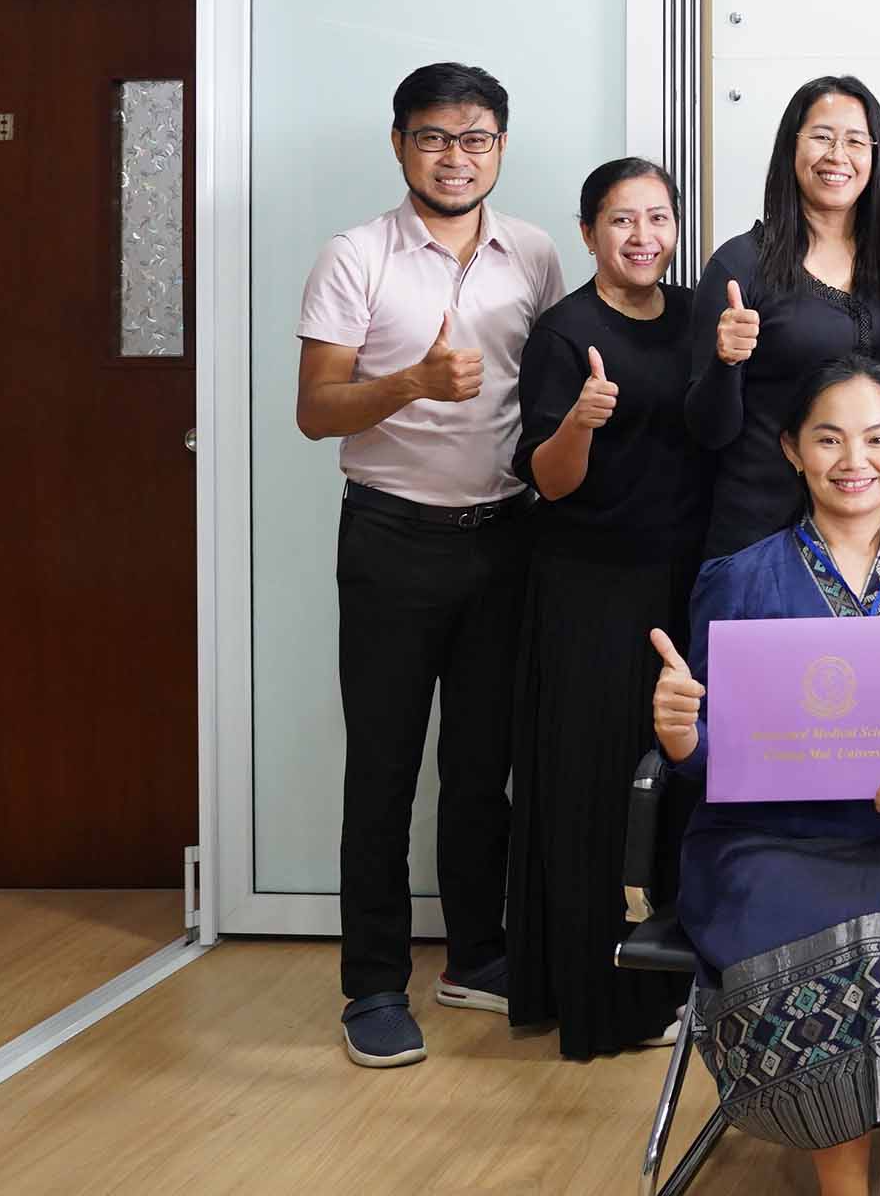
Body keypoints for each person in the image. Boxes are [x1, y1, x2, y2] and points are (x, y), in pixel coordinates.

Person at [647, 355, 880, 1196]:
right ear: (792, 450)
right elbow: (711, 755)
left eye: (877, 439)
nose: (855, 460)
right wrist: (678, 736)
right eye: (829, 439)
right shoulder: (739, 578)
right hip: (758, 844)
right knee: (818, 962)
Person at [293, 61, 565, 1068]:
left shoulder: (532, 252)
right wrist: (412, 381)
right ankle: (372, 984)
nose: (456, 157)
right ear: (401, 144)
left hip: (503, 537)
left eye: (475, 138)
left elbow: (548, 384)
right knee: (383, 767)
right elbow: (315, 408)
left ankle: (476, 954)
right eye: (435, 137)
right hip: (390, 539)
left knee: (483, 767)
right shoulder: (355, 255)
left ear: (501, 147)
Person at [504, 157, 708, 1058]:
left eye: (658, 219)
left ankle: (674, 983)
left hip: (683, 578)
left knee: (677, 781)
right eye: (622, 220)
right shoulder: (563, 333)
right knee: (594, 788)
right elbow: (549, 482)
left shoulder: (698, 317)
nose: (642, 237)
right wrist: (580, 420)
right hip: (588, 587)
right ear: (588, 232)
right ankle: (598, 1000)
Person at [691, 75, 880, 558]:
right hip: (761, 530)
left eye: (855, 141)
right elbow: (708, 431)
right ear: (792, 147)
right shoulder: (740, 265)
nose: (837, 155)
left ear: (875, 155)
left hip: (873, 531)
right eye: (822, 137)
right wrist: (726, 362)